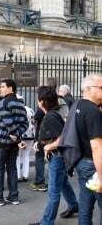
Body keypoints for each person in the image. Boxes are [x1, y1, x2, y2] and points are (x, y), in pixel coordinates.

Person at [28, 86, 78, 225]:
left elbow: (61, 138)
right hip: (58, 155)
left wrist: (48, 147)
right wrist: (40, 143)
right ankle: (74, 205)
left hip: (57, 156)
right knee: (63, 183)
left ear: (42, 101)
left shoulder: (50, 116)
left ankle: (47, 222)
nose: (38, 101)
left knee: (53, 192)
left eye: (39, 99)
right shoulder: (52, 114)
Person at [65, 74, 102, 224]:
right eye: (100, 87)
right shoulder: (93, 111)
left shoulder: (78, 105)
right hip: (94, 165)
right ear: (88, 89)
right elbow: (97, 146)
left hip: (82, 162)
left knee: (85, 208)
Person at [0, 79, 28, 206]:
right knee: (12, 168)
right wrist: (17, 136)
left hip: (1, 142)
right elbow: (25, 123)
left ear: (11, 88)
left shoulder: (4, 102)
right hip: (13, 144)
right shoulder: (20, 104)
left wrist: (14, 135)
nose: (1, 89)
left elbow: (8, 122)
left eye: (3, 86)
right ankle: (13, 196)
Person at [28, 107, 48, 191]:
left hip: (41, 136)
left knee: (39, 158)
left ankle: (39, 181)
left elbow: (34, 120)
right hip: (49, 136)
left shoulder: (41, 108)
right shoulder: (54, 108)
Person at [16, 96, 35, 182]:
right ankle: (25, 175)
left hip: (20, 135)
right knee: (26, 154)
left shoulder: (17, 110)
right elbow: (34, 122)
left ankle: (18, 175)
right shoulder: (30, 110)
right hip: (30, 135)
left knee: (18, 155)